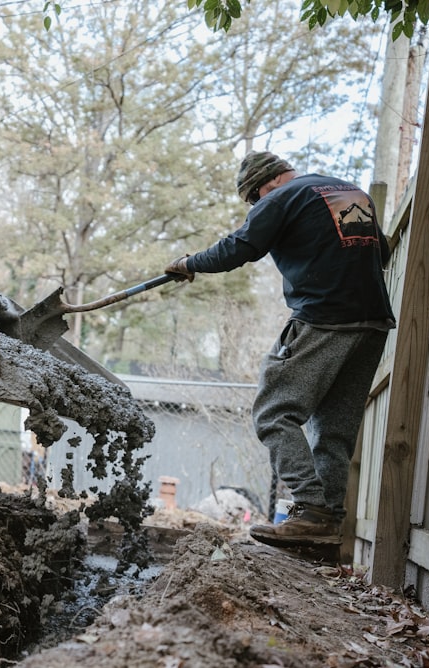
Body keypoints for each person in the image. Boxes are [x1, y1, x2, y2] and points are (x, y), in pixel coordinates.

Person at [164, 150, 395, 548]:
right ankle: (324, 529)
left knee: (274, 412)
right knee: (334, 431)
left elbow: (239, 247)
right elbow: (383, 251)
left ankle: (310, 507)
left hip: (324, 319)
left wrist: (189, 263)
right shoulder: (349, 193)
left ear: (263, 186)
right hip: (372, 324)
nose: (257, 206)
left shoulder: (281, 197)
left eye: (254, 201)